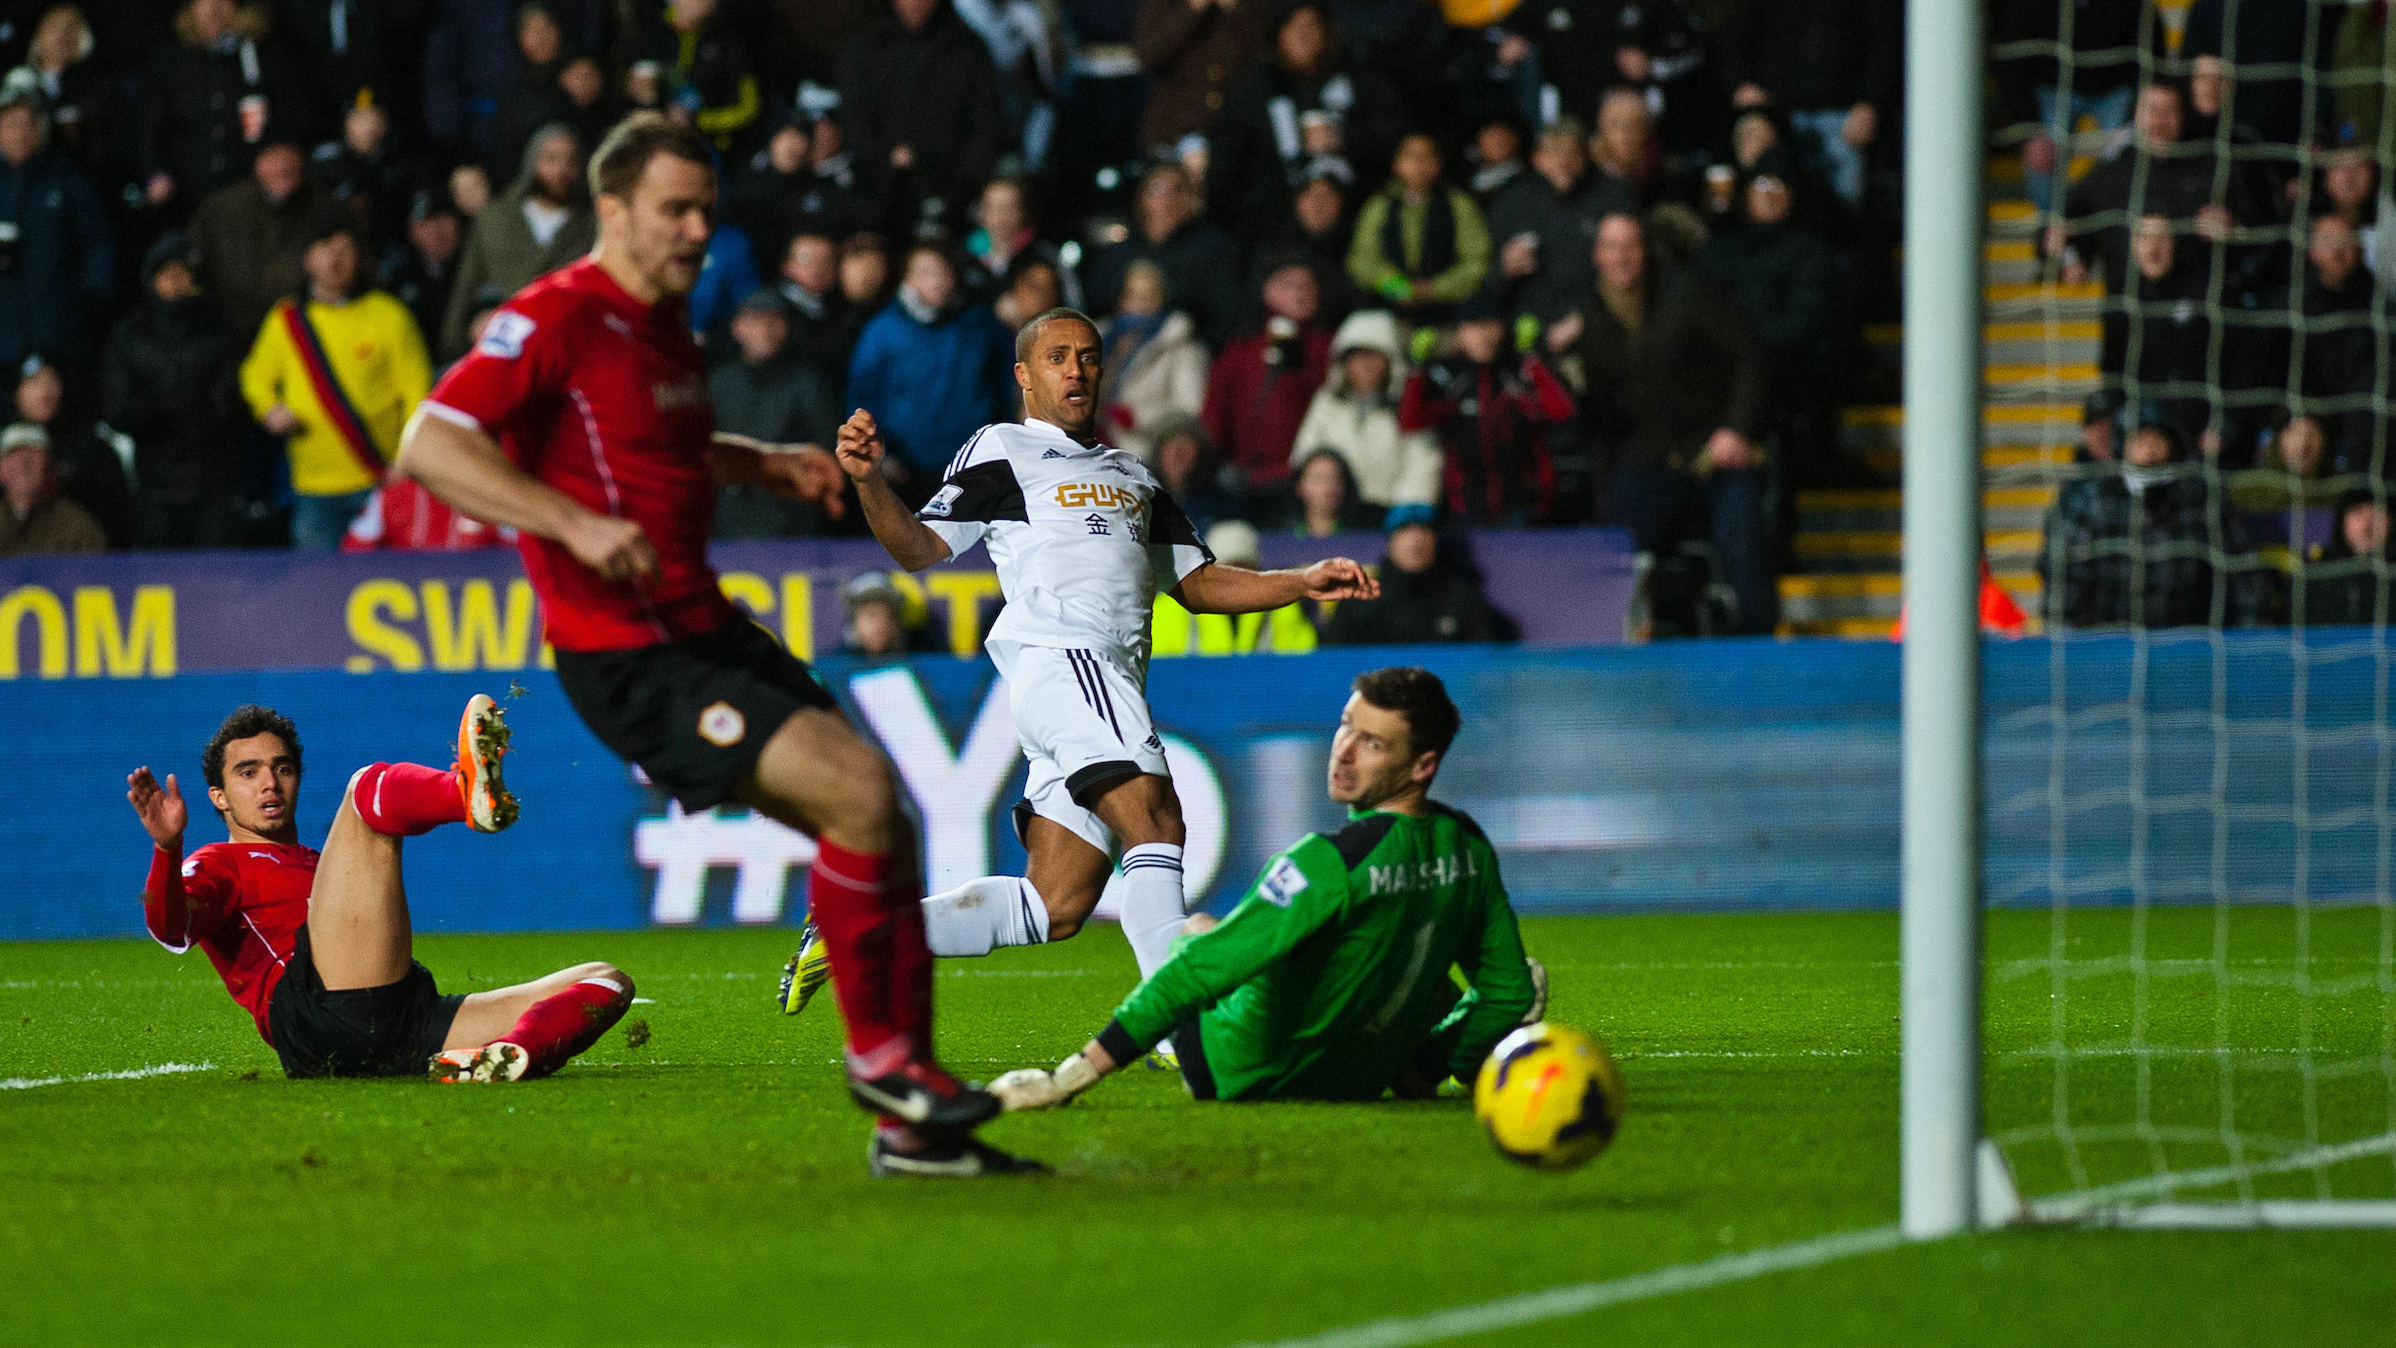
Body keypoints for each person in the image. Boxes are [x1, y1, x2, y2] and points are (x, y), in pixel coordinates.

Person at [393, 114, 1024, 1178]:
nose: (696, 230)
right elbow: (428, 442)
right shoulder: (551, 316)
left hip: (705, 627)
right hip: (629, 653)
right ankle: (892, 1071)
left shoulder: (669, 323)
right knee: (861, 793)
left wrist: (762, 462)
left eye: (705, 212)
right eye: (674, 209)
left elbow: (663, 451)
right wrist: (571, 524)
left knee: (877, 818)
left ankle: (910, 1124)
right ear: (613, 208)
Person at [822, 305, 1377, 1005]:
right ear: (1024, 375)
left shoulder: (1133, 474)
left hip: (1105, 678)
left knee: (1057, 903)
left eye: (1087, 356)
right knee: (1158, 819)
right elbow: (919, 549)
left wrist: (1300, 580)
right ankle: (1176, 1021)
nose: (1076, 369)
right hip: (1065, 658)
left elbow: (1197, 585)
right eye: (1057, 357)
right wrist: (871, 480)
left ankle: (862, 928)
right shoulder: (1003, 448)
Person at [984, 666, 1538, 1108]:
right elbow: (1509, 991)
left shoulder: (1329, 862)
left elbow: (1195, 974)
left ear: (1421, 767)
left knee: (1198, 933)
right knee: (1422, 959)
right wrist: (1435, 1065)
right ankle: (1407, 1054)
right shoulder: (1467, 846)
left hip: (1238, 1074)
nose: (1343, 751)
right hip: (1360, 1080)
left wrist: (1068, 1077)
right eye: (1347, 725)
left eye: (1373, 744)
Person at [125, 696, 635, 1083]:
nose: (269, 784)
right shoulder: (218, 861)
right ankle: (462, 793)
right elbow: (173, 930)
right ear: (218, 796)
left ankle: (505, 1056)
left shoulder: (319, 866)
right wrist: (167, 851)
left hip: (393, 1025)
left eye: (282, 768)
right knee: (366, 789)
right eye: (247, 772)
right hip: (316, 1012)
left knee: (606, 982)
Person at [1564, 212, 1776, 635]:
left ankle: (1758, 647)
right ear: (1597, 257)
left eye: (1631, 246)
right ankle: (1623, 643)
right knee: (1616, 545)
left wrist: (1736, 428)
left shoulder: (1687, 293)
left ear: (1644, 251)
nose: (1622, 257)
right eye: (1611, 247)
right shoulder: (1592, 321)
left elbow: (1751, 356)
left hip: (1715, 450)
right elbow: (1602, 415)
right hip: (1651, 458)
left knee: (1742, 542)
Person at [240, 212, 434, 550]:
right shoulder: (285, 319)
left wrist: (407, 463)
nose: (334, 260)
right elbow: (255, 375)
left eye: (344, 249)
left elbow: (418, 392)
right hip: (314, 485)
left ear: (359, 258)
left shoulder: (389, 315)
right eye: (324, 249)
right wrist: (269, 409)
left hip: (382, 478)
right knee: (318, 587)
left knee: (386, 583)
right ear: (308, 260)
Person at [102, 233, 245, 549]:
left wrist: (210, 410)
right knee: (161, 578)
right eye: (167, 275)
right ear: (151, 280)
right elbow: (116, 408)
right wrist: (157, 409)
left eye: (183, 274)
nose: (175, 282)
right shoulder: (131, 334)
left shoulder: (219, 327)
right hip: (155, 483)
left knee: (215, 578)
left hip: (212, 479)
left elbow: (233, 396)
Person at [843, 243, 1016, 503]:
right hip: (905, 471)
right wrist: (881, 456)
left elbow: (1006, 385)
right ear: (908, 279)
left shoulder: (980, 326)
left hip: (971, 467)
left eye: (943, 271)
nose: (937, 280)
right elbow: (860, 397)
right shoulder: (882, 330)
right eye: (925, 272)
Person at [837, 0, 1007, 240]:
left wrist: (960, 185)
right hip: (874, 193)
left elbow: (986, 125)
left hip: (950, 198)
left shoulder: (967, 47)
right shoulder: (863, 46)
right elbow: (853, 118)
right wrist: (886, 157)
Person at [1399, 294, 1571, 525]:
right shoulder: (1448, 376)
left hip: (1525, 505)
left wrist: (1533, 358)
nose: (1484, 334)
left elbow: (1562, 411)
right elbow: (1410, 422)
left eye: (1492, 324)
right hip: (1464, 507)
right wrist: (1417, 368)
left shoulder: (1521, 369)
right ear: (1460, 333)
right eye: (1474, 326)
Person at [440, 124, 596, 360]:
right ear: (532, 162)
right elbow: (466, 286)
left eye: (571, 160)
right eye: (551, 159)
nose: (561, 169)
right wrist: (460, 335)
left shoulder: (593, 226)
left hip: (569, 348)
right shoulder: (494, 219)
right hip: (503, 347)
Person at [0, 75, 112, 376]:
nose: (21, 133)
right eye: (11, 125)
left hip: (59, 333)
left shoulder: (67, 178)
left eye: (29, 124)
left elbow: (98, 242)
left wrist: (90, 301)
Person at [712, 289, 840, 538]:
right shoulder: (719, 383)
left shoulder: (808, 384)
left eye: (773, 321)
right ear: (737, 327)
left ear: (786, 327)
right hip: (730, 520)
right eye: (755, 321)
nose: (765, 330)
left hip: (793, 519)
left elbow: (825, 448)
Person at [1202, 257, 1334, 493]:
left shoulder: (1330, 350)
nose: (1298, 293)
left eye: (1306, 286)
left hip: (1300, 479)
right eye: (1287, 285)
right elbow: (1215, 413)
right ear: (1267, 291)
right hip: (1238, 475)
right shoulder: (1241, 349)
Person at [1290, 308, 1441, 510]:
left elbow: (1422, 467)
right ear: (1343, 362)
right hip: (1335, 521)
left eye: (1374, 356)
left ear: (1391, 361)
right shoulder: (1327, 404)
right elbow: (1305, 459)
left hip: (1389, 519)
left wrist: (1400, 517)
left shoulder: (1409, 407)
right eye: (1358, 356)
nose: (1366, 365)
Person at [1346, 132, 1491, 324]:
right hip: (1388, 316)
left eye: (1427, 156)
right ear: (1396, 163)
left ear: (1439, 163)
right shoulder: (1380, 205)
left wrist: (1432, 290)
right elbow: (1360, 261)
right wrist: (1397, 288)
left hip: (1450, 315)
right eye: (1411, 156)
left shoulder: (1459, 204)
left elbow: (1477, 262)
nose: (1419, 164)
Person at [1321, 507, 1496, 644]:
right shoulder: (1359, 598)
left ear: (1436, 542)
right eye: (1405, 531)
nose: (1415, 541)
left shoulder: (1463, 599)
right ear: (1390, 543)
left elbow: (1482, 662)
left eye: (1424, 531)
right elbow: (1334, 660)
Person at [1099, 260, 1210, 463]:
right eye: (1133, 294)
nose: (1141, 303)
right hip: (1095, 443)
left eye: (1150, 296)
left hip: (1143, 451)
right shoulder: (1102, 337)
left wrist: (1136, 417)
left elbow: (1190, 408)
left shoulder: (1181, 346)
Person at [0, 420, 104, 554]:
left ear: (51, 467)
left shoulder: (77, 527)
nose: (24, 462)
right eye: (14, 454)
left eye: (34, 453)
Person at [2303, 490, 2395, 628]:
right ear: (2342, 520)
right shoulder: (2317, 572)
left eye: (2378, 512)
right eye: (2356, 511)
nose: (2367, 525)